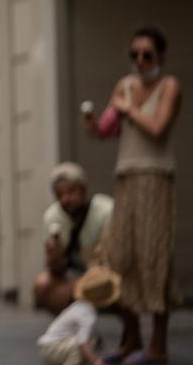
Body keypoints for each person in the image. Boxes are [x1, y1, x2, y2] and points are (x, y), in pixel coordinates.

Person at [83, 26, 181, 364]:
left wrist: (128, 110)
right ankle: (132, 338)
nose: (140, 61)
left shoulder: (170, 87)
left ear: (161, 56)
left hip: (155, 179)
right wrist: (94, 123)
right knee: (117, 256)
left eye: (147, 55)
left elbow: (157, 128)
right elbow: (106, 129)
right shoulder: (124, 88)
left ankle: (158, 346)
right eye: (134, 55)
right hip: (126, 179)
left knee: (153, 259)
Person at [34, 163, 114, 316]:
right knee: (42, 284)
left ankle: (132, 333)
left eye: (71, 192)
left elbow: (114, 257)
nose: (65, 200)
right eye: (59, 195)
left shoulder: (105, 210)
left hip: (107, 274)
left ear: (84, 190)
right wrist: (54, 255)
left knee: (75, 289)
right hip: (76, 276)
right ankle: (70, 329)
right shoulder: (53, 216)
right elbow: (56, 270)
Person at [37, 266, 121, 365]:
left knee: (92, 339)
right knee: (84, 345)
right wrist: (95, 361)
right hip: (53, 348)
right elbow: (82, 341)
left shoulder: (79, 305)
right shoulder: (87, 313)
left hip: (49, 346)